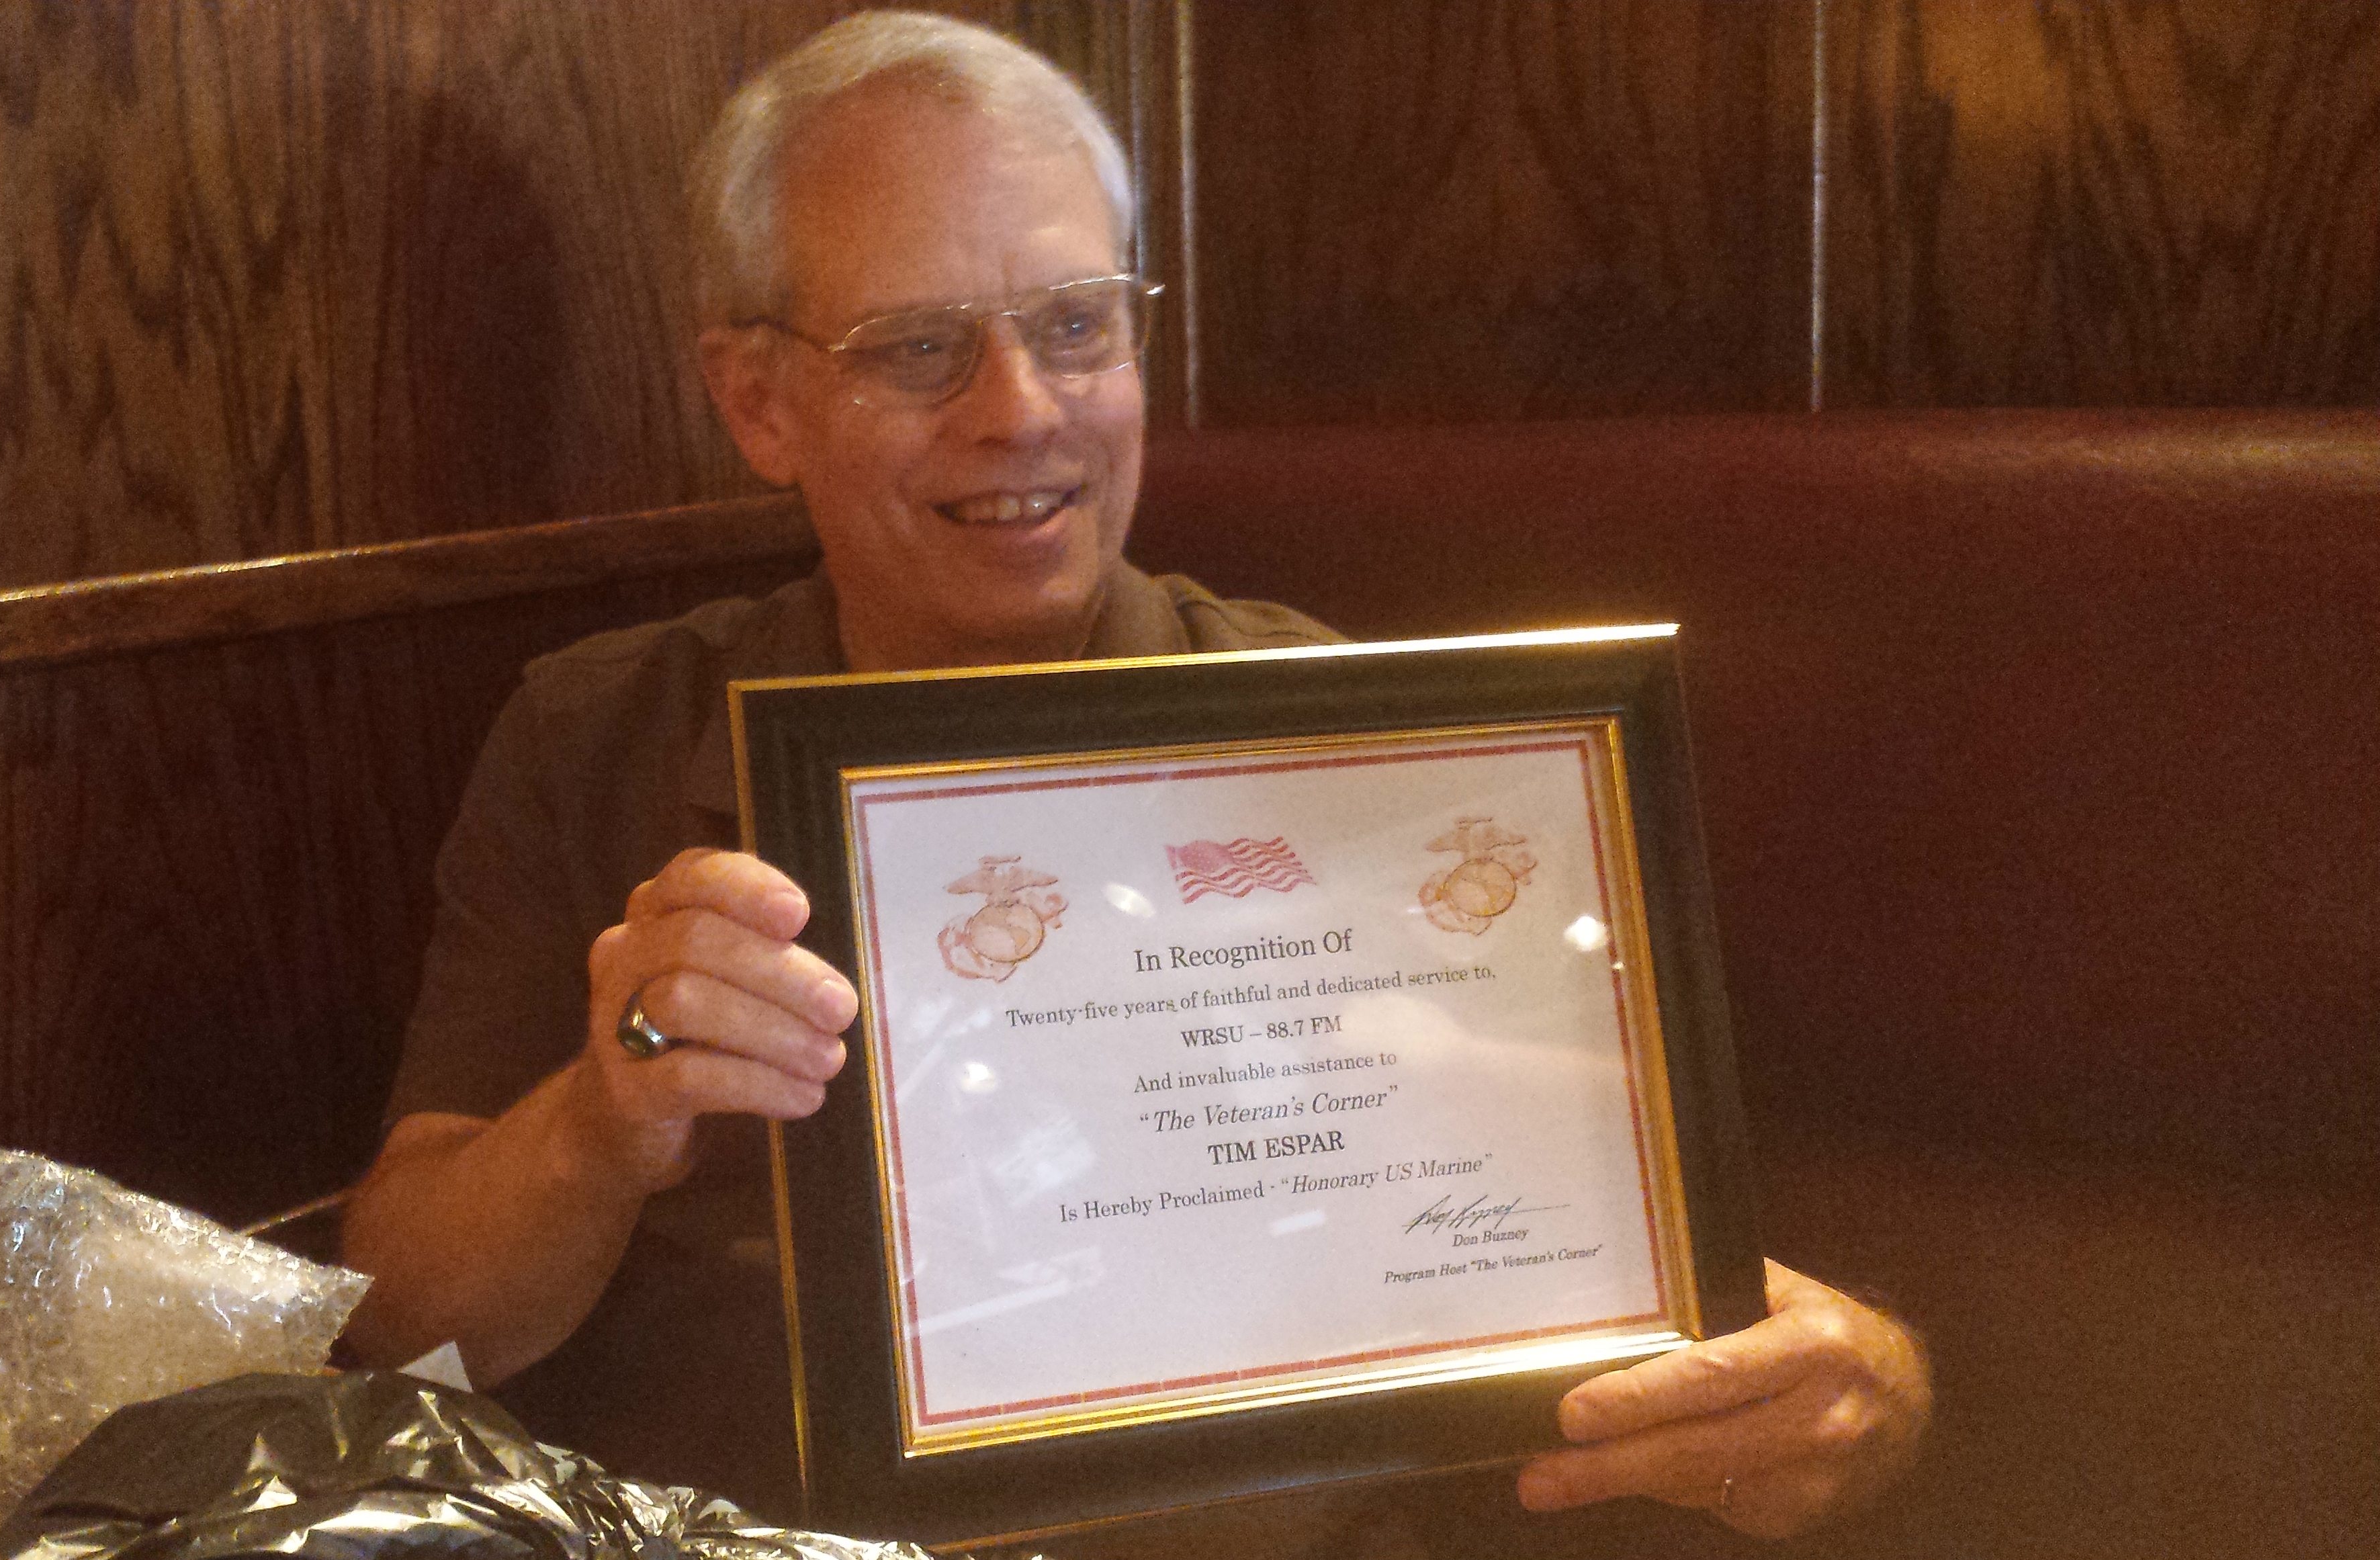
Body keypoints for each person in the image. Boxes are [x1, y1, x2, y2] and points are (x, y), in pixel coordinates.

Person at [342, 11, 1929, 1552]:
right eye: (919, 348)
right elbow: (403, 1325)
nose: (1020, 412)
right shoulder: (596, 731)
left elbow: (1661, 1284)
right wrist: (605, 1124)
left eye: (1075, 324)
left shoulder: (1374, 754)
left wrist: (1853, 1392)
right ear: (762, 402)